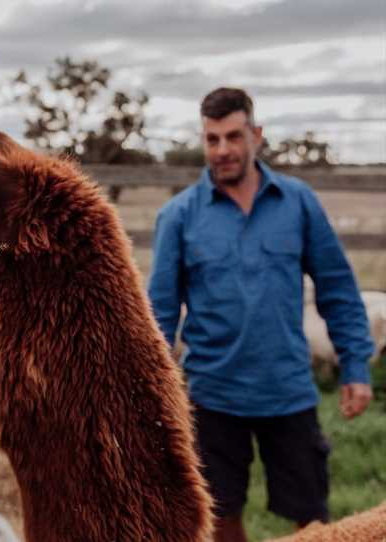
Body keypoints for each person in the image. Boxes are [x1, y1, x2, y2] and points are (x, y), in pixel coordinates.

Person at [147, 87, 374, 542]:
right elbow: (159, 316)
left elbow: (337, 287)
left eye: (233, 136)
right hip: (213, 396)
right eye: (212, 139)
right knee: (218, 517)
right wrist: (150, 394)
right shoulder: (179, 216)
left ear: (257, 134)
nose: (223, 150)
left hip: (288, 390)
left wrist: (354, 365)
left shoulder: (298, 202)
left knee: (312, 520)